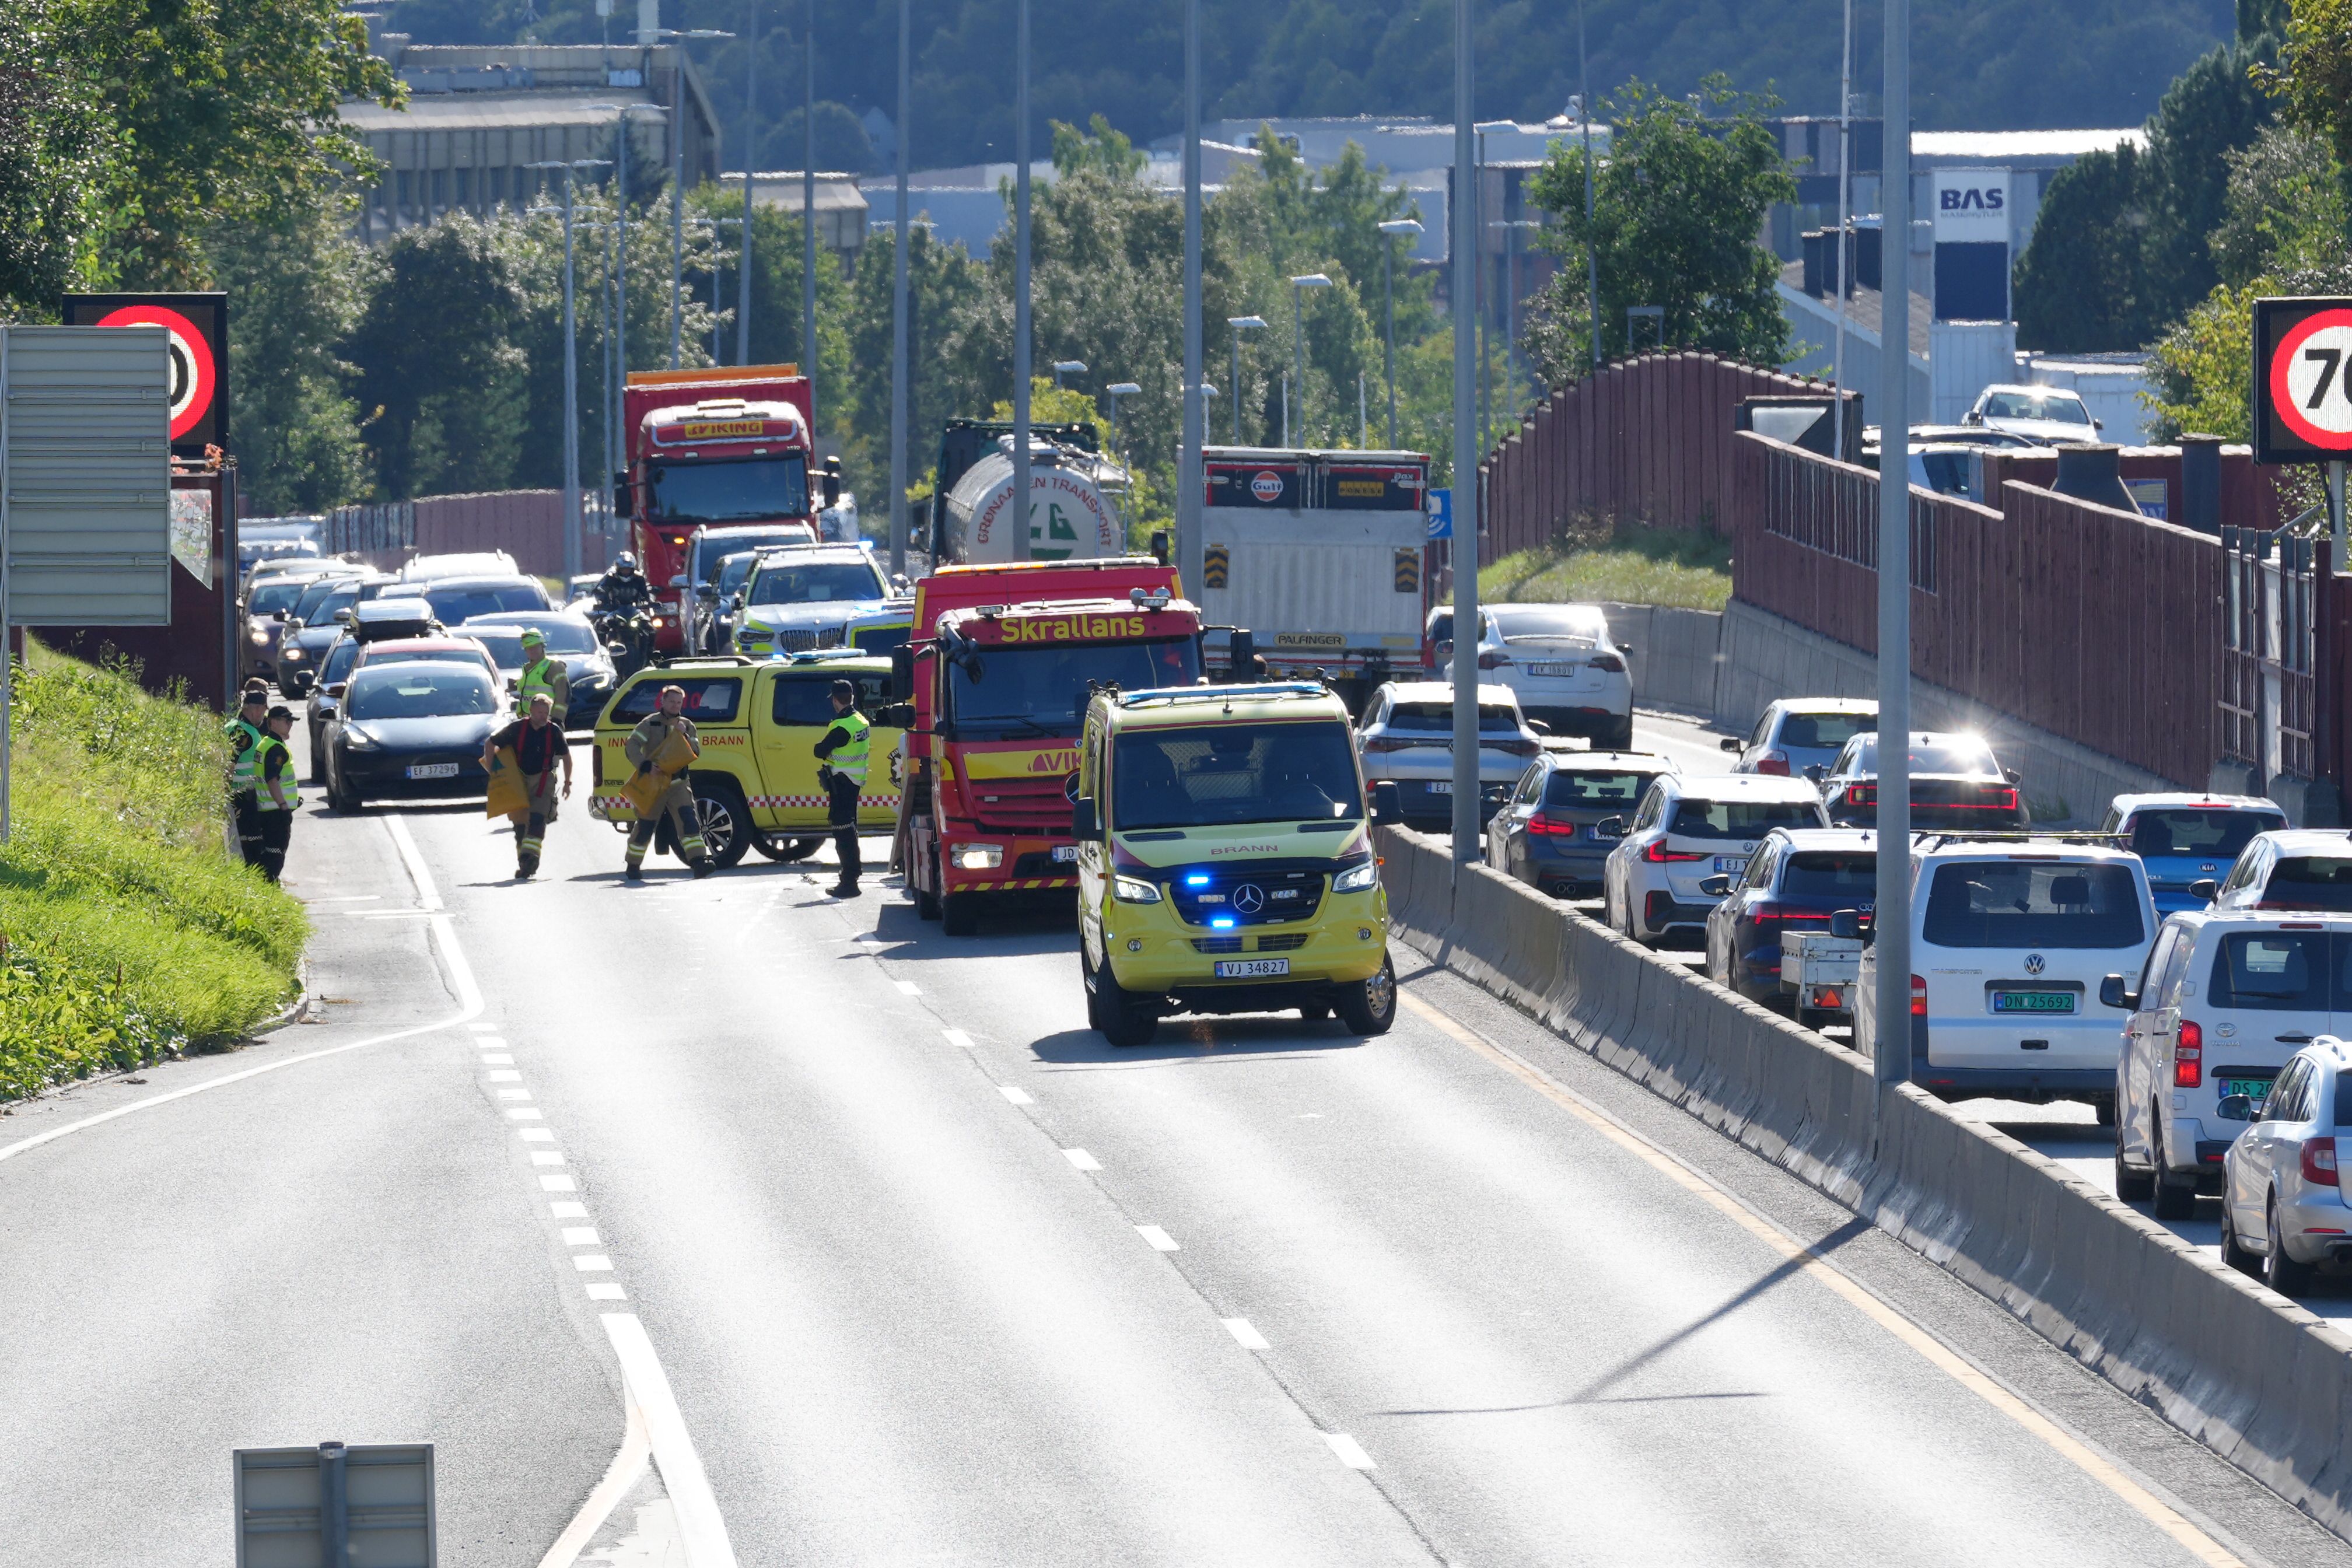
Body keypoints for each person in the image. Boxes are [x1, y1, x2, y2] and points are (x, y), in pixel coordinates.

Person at [624, 684, 711, 880]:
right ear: (662, 701)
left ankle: (699, 862)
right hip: (654, 784)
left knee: (689, 821)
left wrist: (684, 735)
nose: (675, 705)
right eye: (671, 701)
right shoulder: (650, 723)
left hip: (678, 784)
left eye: (679, 702)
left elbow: (695, 752)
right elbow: (631, 745)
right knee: (645, 826)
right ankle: (633, 864)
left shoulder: (687, 725)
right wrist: (645, 766)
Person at [482, 691, 573, 878]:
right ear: (531, 710)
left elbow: (567, 757)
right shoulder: (516, 728)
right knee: (520, 826)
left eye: (546, 713)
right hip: (518, 780)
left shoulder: (554, 731)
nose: (543, 717)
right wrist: (494, 772)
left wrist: (567, 783)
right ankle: (525, 863)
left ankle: (531, 858)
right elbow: (490, 744)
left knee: (538, 820)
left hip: (544, 780)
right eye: (539, 712)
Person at [812, 678, 870, 897]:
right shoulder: (860, 720)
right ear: (852, 698)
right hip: (853, 781)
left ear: (835, 700)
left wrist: (820, 748)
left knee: (843, 832)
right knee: (849, 829)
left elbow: (820, 751)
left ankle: (849, 881)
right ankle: (851, 877)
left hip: (842, 782)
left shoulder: (842, 726)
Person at [251, 704, 301, 883]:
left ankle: (266, 885)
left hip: (267, 809)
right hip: (276, 812)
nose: (290, 725)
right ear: (273, 722)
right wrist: (284, 806)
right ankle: (268, 886)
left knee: (270, 853)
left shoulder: (265, 744)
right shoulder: (276, 749)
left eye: (291, 721)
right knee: (276, 855)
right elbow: (272, 780)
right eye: (287, 721)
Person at [225, 680, 270, 870]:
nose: (264, 716)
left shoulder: (232, 725)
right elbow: (229, 765)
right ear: (256, 709)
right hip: (244, 797)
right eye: (264, 711)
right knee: (252, 844)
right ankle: (254, 877)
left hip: (239, 796)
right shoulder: (245, 733)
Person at [514, 628, 571, 726]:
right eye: (529, 648)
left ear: (542, 646)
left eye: (536, 647)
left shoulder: (553, 667)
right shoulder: (528, 670)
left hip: (546, 723)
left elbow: (564, 695)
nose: (532, 651)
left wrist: (556, 720)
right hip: (528, 723)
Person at [594, 552, 653, 616]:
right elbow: (601, 589)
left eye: (628, 569)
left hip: (635, 611)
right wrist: (602, 601)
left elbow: (645, 592)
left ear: (633, 569)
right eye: (623, 569)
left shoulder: (639, 578)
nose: (626, 572)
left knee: (646, 620)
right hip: (614, 611)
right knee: (604, 620)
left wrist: (648, 601)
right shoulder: (611, 578)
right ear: (618, 569)